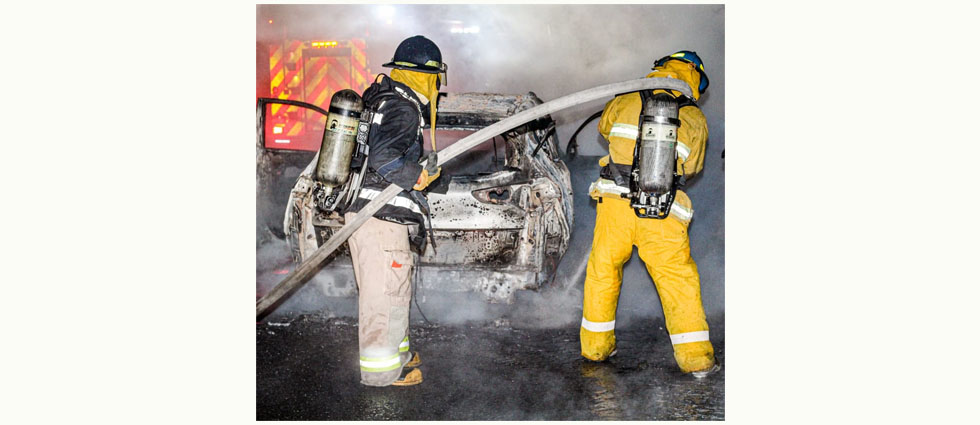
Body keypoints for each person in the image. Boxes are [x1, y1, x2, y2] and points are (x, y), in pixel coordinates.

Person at [580, 50, 720, 378]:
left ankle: (595, 350)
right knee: (677, 281)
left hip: (614, 204)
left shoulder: (627, 96)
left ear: (659, 68)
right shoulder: (694, 117)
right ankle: (697, 361)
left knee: (603, 272)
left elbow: (604, 128)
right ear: (695, 79)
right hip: (663, 210)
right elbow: (695, 166)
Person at [343, 35, 446, 387]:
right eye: (437, 79)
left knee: (394, 290)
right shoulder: (403, 108)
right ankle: (382, 375)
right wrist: (418, 176)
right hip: (378, 217)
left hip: (375, 217)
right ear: (427, 75)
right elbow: (385, 158)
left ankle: (397, 355)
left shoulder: (381, 99)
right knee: (383, 297)